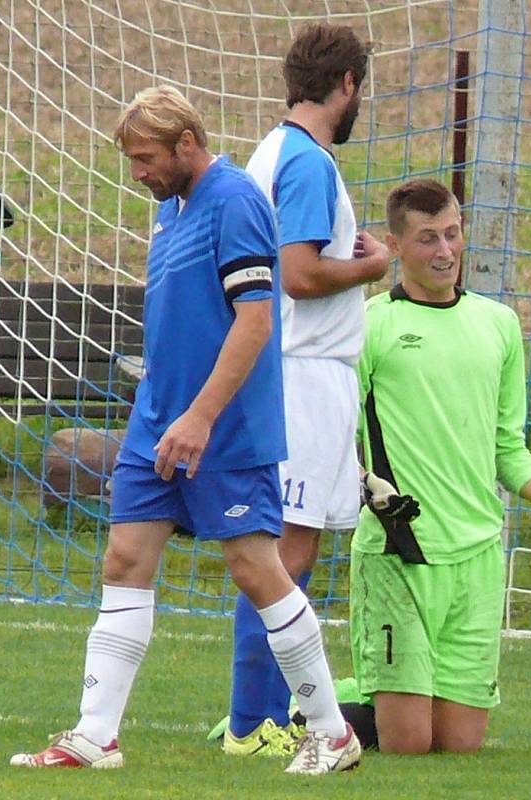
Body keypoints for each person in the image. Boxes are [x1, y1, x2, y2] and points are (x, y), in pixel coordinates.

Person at [8, 85, 360, 775]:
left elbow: (256, 321)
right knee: (123, 562)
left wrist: (200, 417)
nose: (137, 173)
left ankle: (330, 731)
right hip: (156, 424)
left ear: (187, 145)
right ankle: (95, 735)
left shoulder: (235, 201)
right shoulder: (173, 209)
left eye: (146, 158)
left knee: (255, 568)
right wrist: (164, 409)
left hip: (223, 428)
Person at [345, 178, 531, 754]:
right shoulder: (369, 325)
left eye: (452, 234)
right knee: (410, 747)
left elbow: (507, 444)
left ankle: (328, 700)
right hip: (401, 552)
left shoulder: (498, 324)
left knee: (460, 745)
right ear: (396, 247)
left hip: (477, 556)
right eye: (427, 239)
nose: (445, 251)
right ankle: (302, 709)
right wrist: (364, 486)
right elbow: (332, 436)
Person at [216, 23, 391, 757]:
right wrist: (373, 266)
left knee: (280, 550)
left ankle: (261, 712)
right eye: (361, 90)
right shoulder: (309, 161)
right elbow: (302, 274)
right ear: (346, 84)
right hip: (304, 372)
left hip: (287, 372)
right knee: (285, 553)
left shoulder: (271, 150)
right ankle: (253, 722)